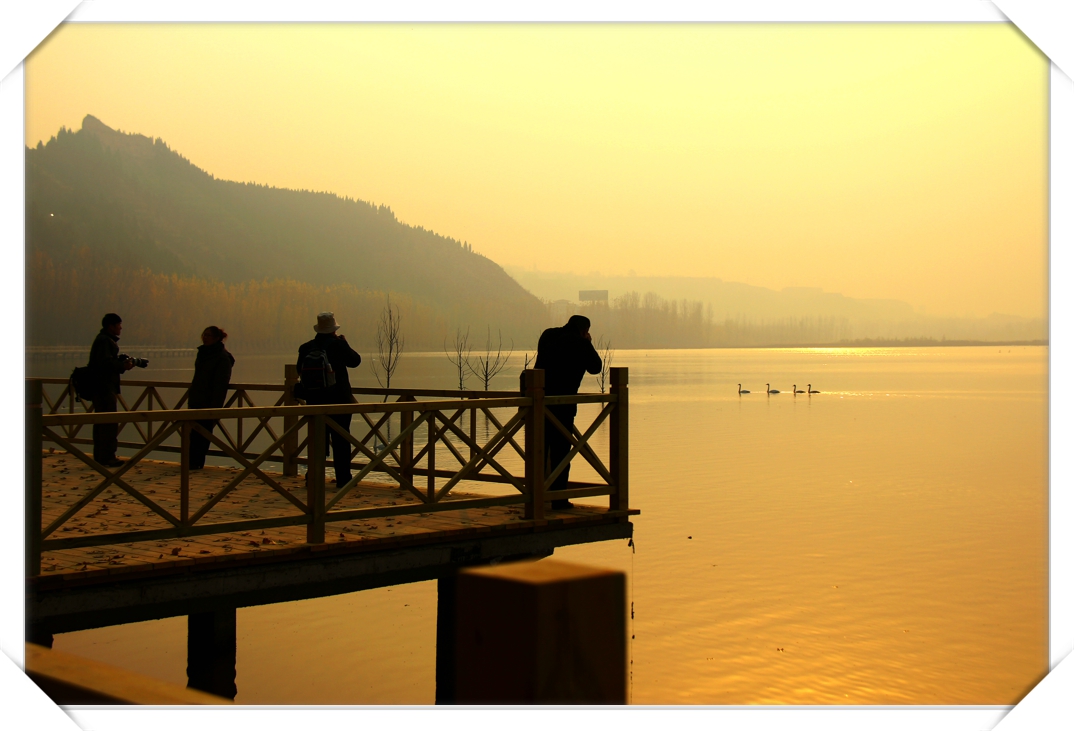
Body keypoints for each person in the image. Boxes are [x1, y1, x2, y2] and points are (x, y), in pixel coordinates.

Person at [534, 314, 602, 509]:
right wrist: (588, 343)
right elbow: (596, 367)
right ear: (584, 331)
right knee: (561, 453)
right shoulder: (579, 343)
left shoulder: (548, 335)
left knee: (538, 450)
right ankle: (559, 499)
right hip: (563, 404)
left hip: (539, 401)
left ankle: (535, 496)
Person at [297, 312, 362, 487]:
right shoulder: (338, 345)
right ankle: (343, 479)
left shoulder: (306, 347)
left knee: (316, 441)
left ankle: (314, 478)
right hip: (339, 400)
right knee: (341, 441)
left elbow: (299, 371)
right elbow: (355, 361)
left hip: (315, 400)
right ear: (333, 328)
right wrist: (345, 343)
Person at [88, 313, 135, 467]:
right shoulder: (104, 341)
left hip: (100, 386)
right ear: (111, 326)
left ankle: (101, 456)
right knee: (108, 423)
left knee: (102, 422)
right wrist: (123, 366)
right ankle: (107, 456)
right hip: (104, 387)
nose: (121, 328)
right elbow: (105, 364)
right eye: (118, 325)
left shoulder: (103, 340)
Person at [187, 326, 235, 470]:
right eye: (204, 335)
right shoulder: (202, 353)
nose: (205, 338)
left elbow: (221, 385)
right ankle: (191, 463)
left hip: (208, 402)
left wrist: (215, 407)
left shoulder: (222, 358)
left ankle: (196, 464)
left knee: (203, 435)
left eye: (208, 335)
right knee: (193, 434)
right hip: (196, 399)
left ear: (216, 338)